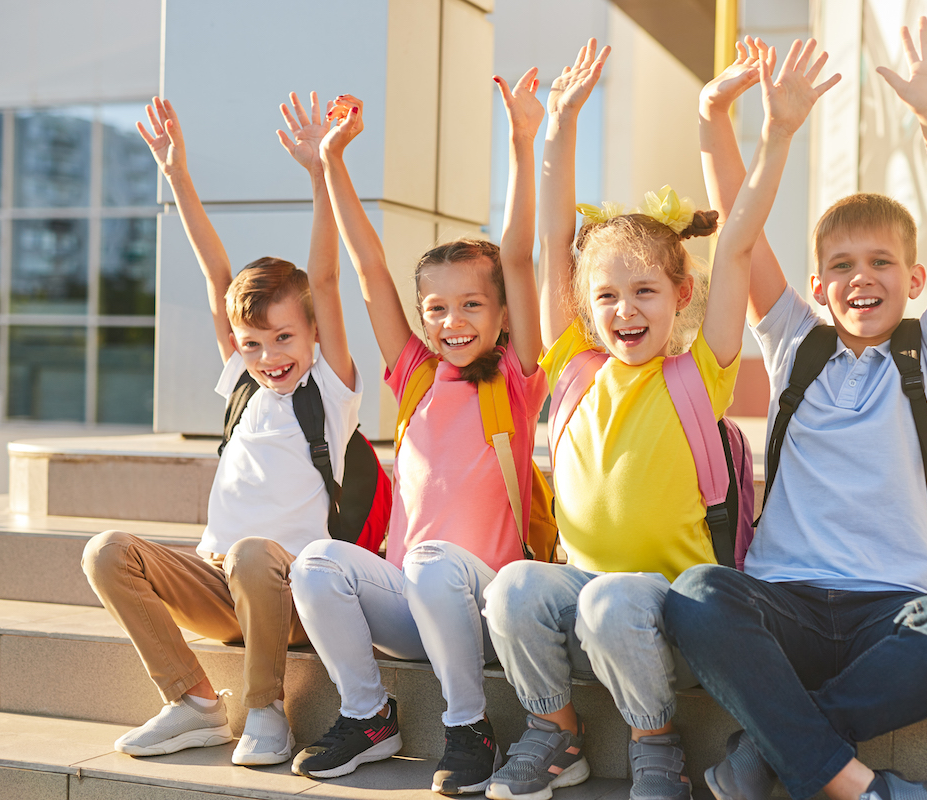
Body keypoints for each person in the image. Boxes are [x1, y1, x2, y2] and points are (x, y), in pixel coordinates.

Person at [481, 38, 837, 800]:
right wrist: (558, 128)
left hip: (666, 604)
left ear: (681, 295)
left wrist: (774, 134)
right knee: (511, 587)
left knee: (613, 601)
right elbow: (551, 245)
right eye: (606, 296)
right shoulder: (572, 370)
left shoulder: (696, 374)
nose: (624, 309)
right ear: (584, 310)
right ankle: (556, 735)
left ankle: (655, 743)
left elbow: (738, 243)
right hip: (583, 589)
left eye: (644, 290)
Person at [664, 20, 927, 800]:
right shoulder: (794, 344)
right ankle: (863, 789)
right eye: (842, 266)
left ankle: (765, 755)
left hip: (895, 612)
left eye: (882, 262)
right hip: (786, 606)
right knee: (697, 595)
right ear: (817, 288)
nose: (862, 278)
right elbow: (738, 236)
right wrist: (721, 123)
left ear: (914, 278)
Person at [286, 70, 548, 796]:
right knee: (315, 563)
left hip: (487, 605)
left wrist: (524, 143)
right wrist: (334, 162)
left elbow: (520, 256)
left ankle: (469, 728)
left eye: (471, 305)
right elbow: (371, 272)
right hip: (411, 599)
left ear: (500, 316)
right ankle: (369, 716)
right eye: (435, 307)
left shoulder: (519, 380)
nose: (451, 321)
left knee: (434, 560)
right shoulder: (417, 375)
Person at [81, 93, 362, 767]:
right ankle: (196, 704)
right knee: (106, 551)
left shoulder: (328, 389)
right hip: (221, 587)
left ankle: (266, 710)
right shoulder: (243, 382)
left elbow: (323, 275)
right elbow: (215, 274)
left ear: (314, 333)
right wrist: (176, 175)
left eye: (283, 338)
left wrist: (323, 168)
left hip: (291, 594)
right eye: (253, 342)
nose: (269, 357)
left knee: (253, 554)